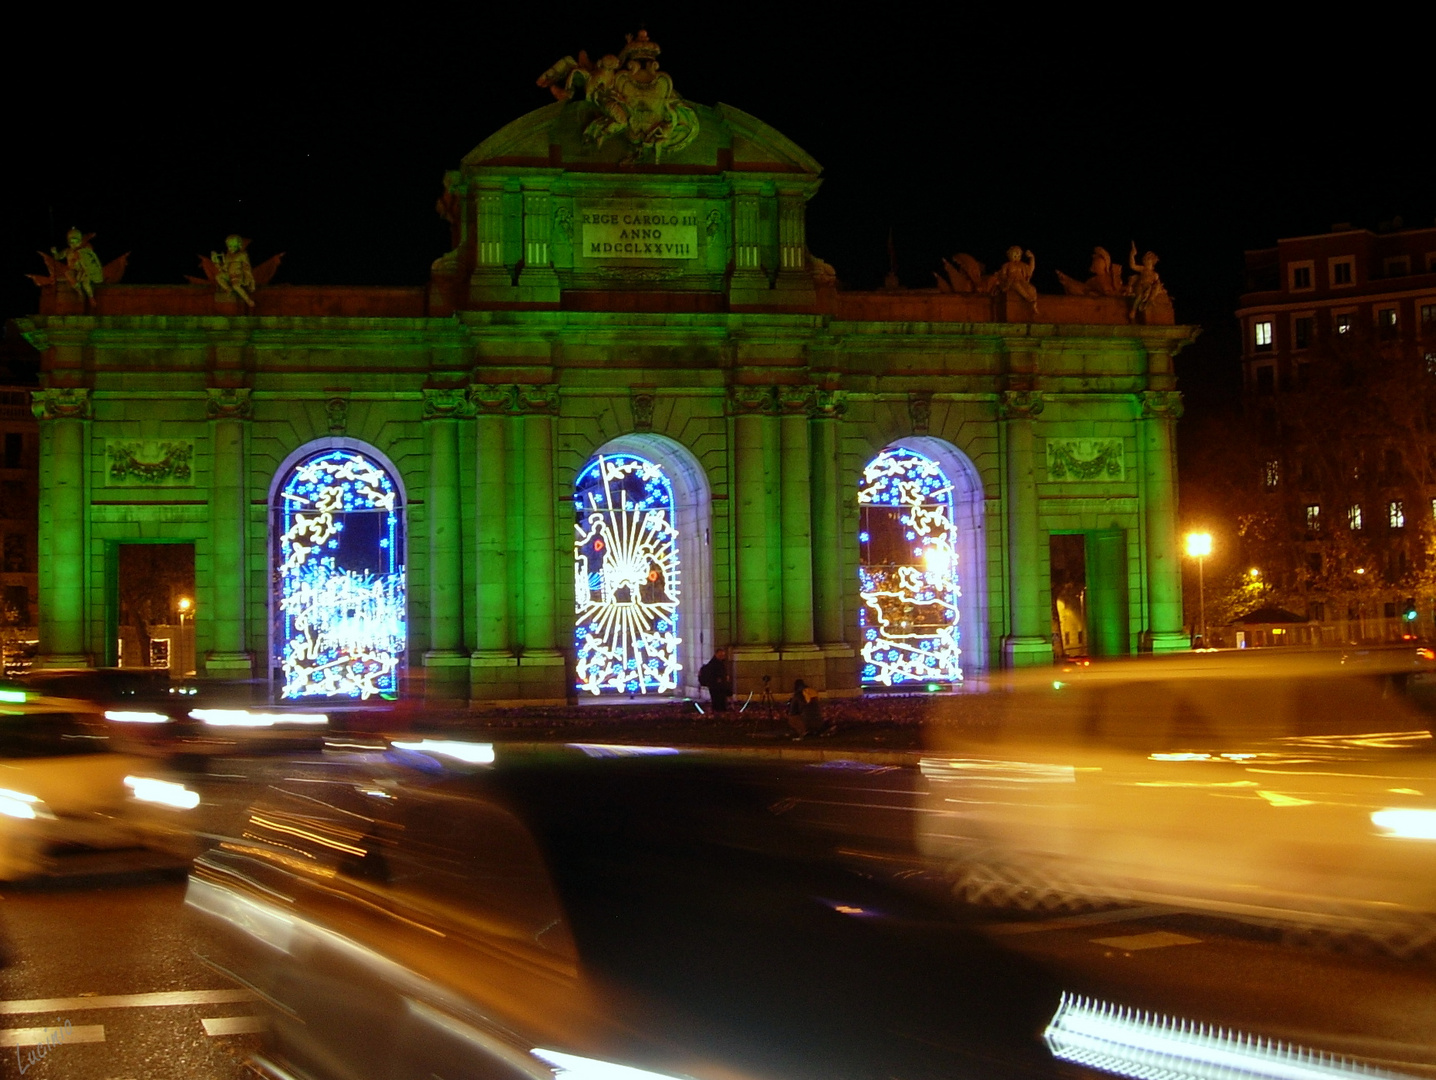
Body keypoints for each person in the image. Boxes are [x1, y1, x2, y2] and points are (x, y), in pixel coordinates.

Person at [697, 648, 732, 712]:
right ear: (716, 654)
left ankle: (718, 713)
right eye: (721, 655)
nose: (722, 657)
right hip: (716, 686)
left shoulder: (719, 663)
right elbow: (714, 674)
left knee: (719, 702)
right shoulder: (714, 664)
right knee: (718, 701)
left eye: (723, 655)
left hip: (718, 686)